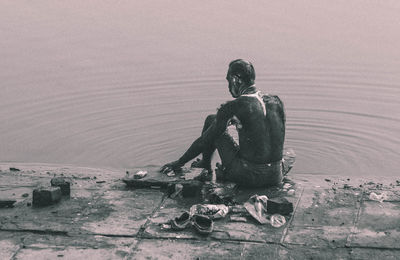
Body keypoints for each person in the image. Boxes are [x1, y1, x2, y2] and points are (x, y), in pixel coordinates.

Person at [160, 59, 294, 187]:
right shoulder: (276, 102)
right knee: (286, 152)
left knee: (211, 120)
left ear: (236, 80)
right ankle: (214, 166)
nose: (229, 87)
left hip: (249, 177)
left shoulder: (235, 106)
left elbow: (204, 140)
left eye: (228, 81)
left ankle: (206, 165)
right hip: (275, 175)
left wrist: (179, 163)